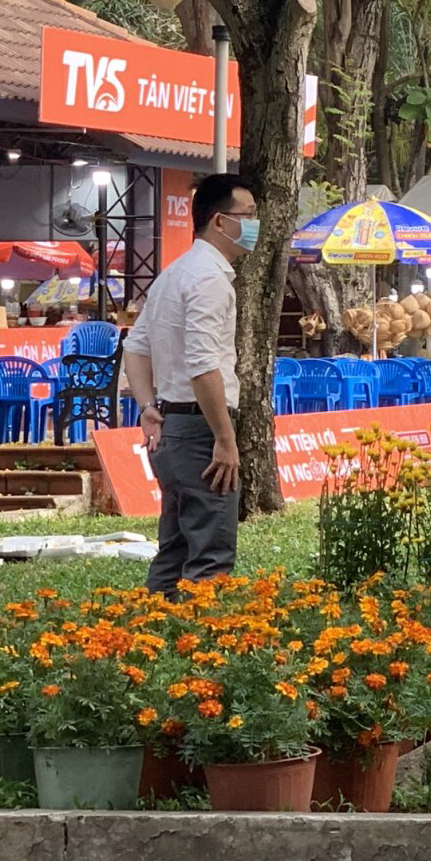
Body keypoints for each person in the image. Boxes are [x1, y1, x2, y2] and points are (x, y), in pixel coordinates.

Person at [123, 173, 256, 597]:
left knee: (175, 547)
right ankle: (198, 645)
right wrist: (224, 437)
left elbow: (135, 348)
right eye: (248, 215)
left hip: (171, 428)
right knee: (210, 554)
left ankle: (153, 637)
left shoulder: (175, 273)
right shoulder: (209, 279)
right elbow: (204, 366)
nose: (254, 224)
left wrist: (148, 408)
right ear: (219, 221)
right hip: (200, 432)